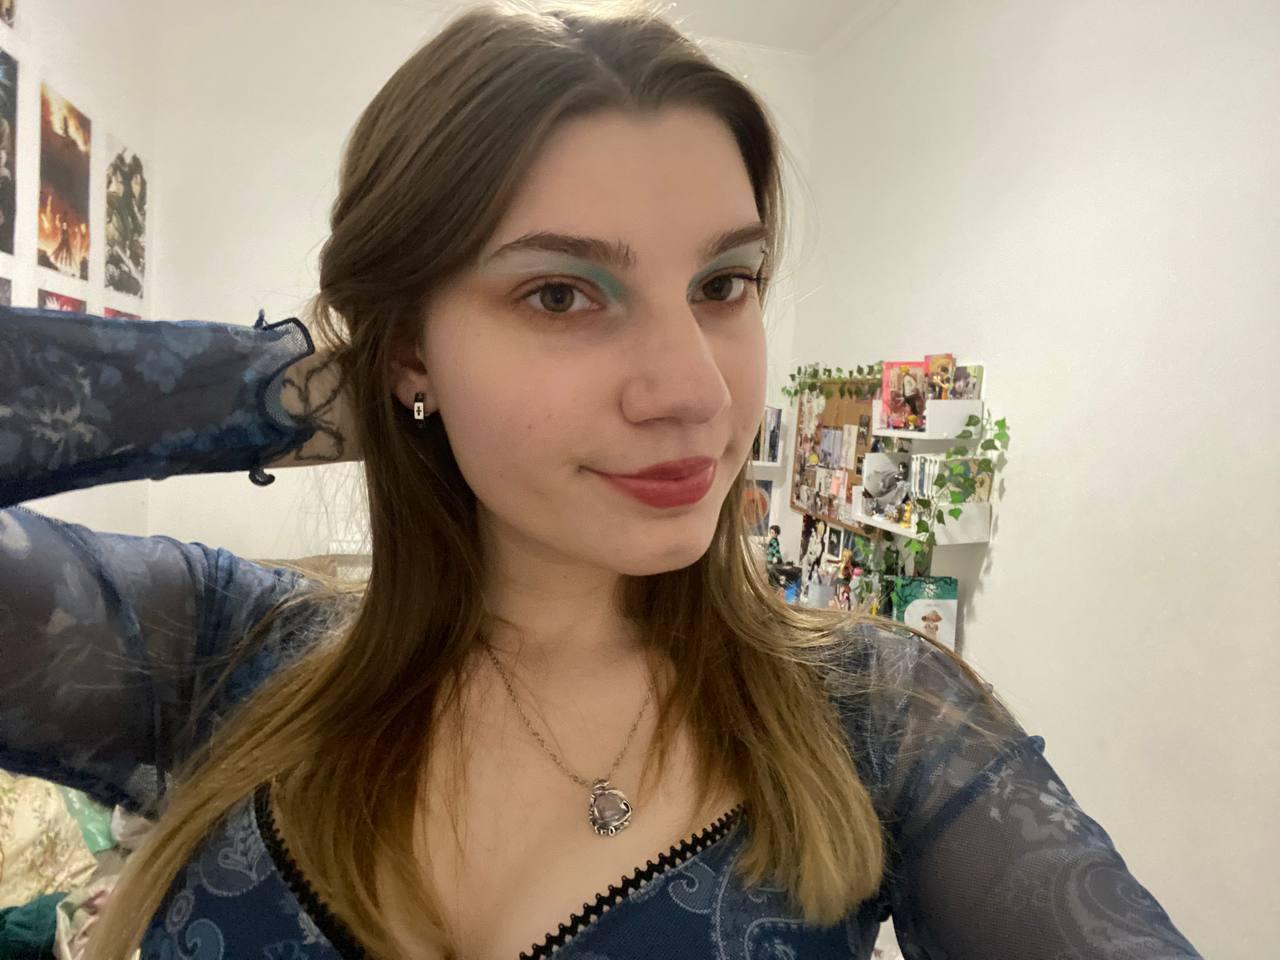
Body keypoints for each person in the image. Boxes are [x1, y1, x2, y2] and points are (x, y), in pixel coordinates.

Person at [0, 3, 1203, 959]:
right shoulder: (212, 651)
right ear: (409, 344)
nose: (695, 392)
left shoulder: (880, 720)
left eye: (723, 285)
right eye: (560, 293)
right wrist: (306, 386)